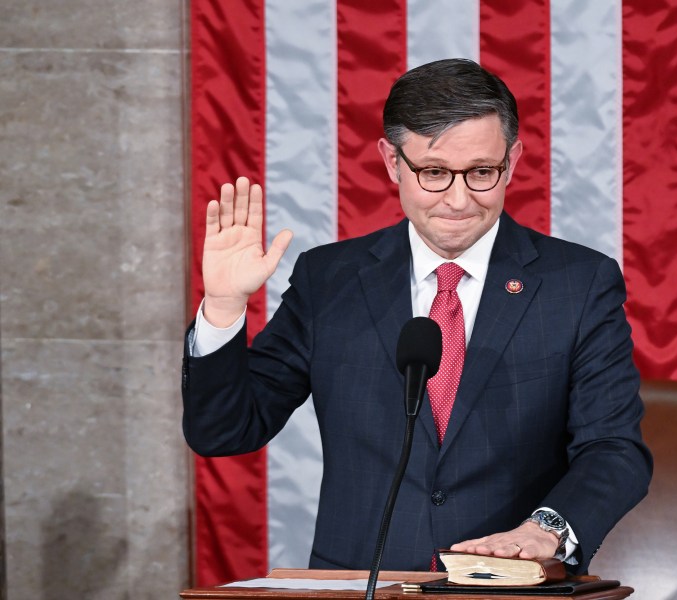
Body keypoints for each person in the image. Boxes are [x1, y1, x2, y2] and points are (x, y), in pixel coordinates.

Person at [182, 58, 652, 573]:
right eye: (433, 173)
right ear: (392, 162)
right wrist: (224, 308)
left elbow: (613, 449)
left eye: (480, 172)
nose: (457, 199)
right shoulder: (329, 280)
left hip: (514, 584)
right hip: (363, 583)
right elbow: (225, 432)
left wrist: (543, 532)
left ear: (512, 162)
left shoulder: (578, 284)